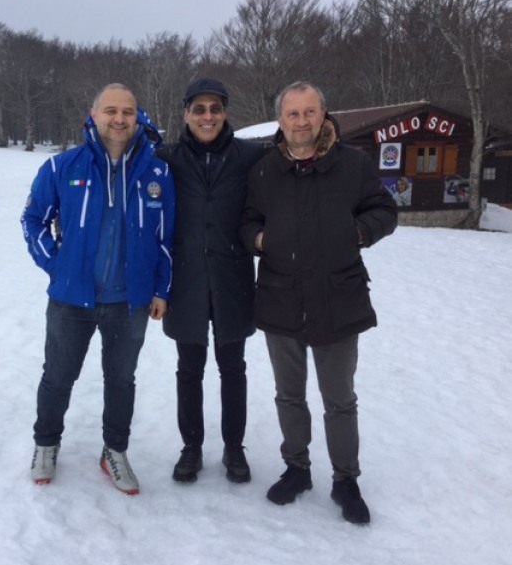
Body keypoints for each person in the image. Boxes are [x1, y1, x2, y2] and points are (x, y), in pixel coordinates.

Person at [240, 81, 397, 524]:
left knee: (340, 399)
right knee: (289, 395)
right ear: (281, 120)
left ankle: (346, 479)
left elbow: (384, 210)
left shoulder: (354, 165)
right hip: (280, 298)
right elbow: (247, 220)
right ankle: (297, 469)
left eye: (310, 112)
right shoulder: (265, 170)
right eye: (293, 114)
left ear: (324, 115)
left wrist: (359, 232)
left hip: (339, 298)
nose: (302, 121)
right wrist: (258, 238)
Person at [20, 83, 174, 495]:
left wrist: (161, 288)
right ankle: (46, 444)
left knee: (121, 380)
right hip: (72, 299)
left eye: (127, 111)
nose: (119, 119)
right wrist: (56, 264)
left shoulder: (156, 172)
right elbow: (32, 219)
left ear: (136, 116)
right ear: (94, 114)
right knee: (58, 377)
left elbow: (166, 238)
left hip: (131, 301)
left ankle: (115, 452)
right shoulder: (62, 167)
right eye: (111, 111)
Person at [156, 78, 265, 484]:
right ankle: (192, 447)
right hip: (185, 280)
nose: (207, 116)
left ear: (225, 113)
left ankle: (234, 449)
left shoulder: (250, 156)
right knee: (189, 368)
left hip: (232, 276)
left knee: (233, 367)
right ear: (186, 113)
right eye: (198, 109)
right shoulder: (165, 157)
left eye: (215, 109)